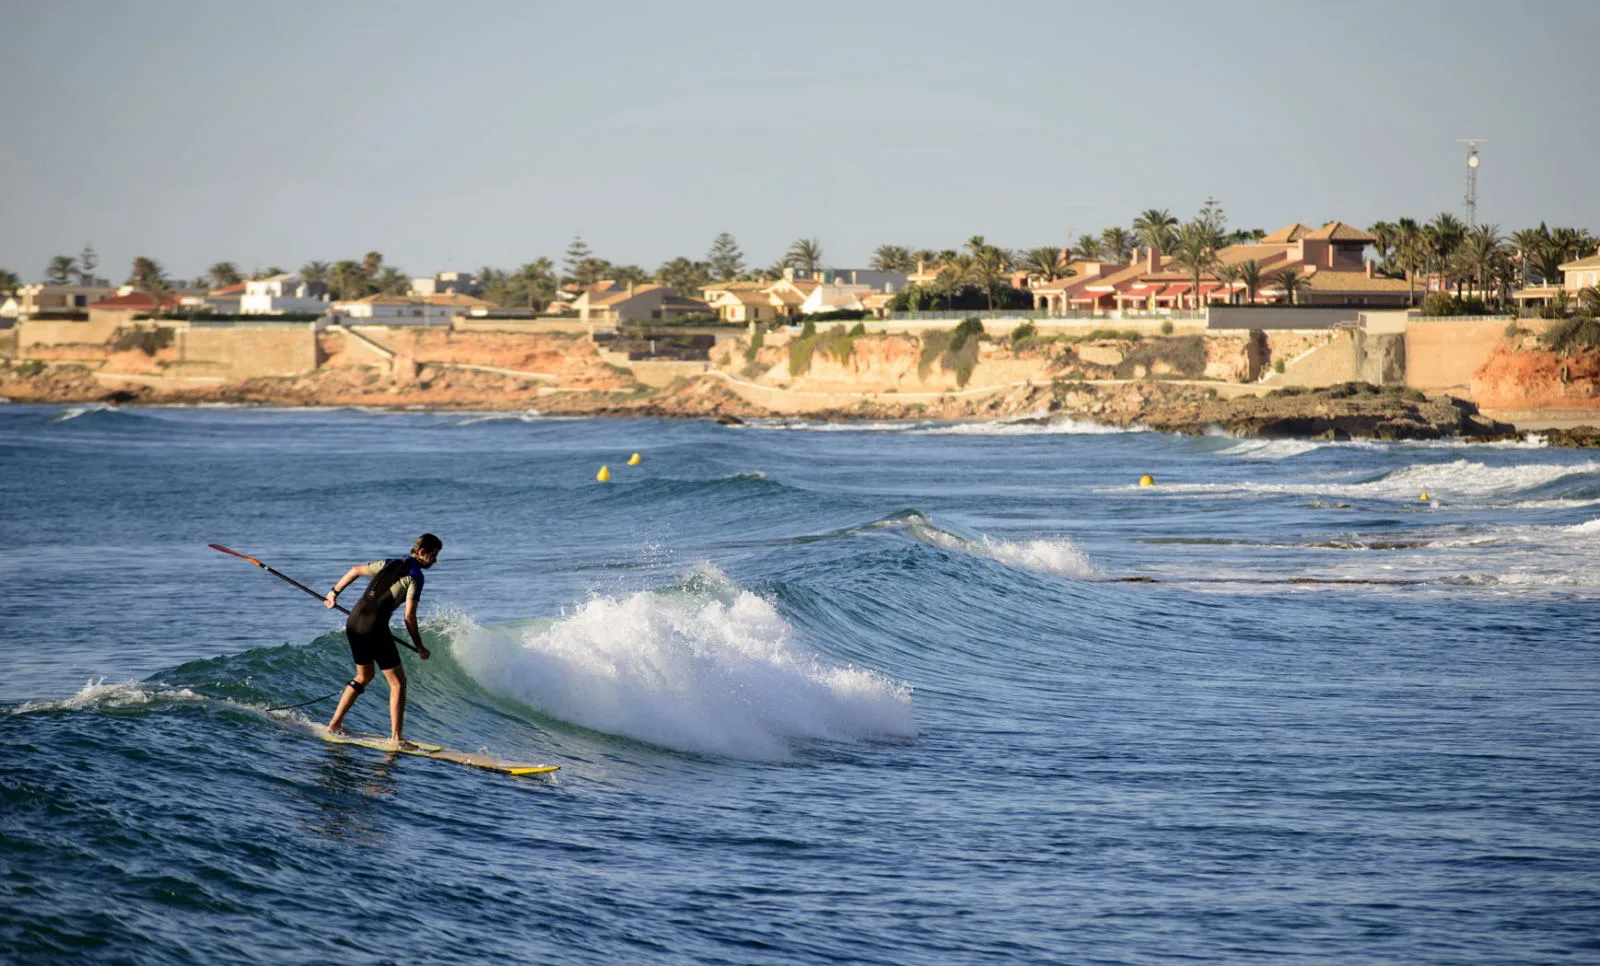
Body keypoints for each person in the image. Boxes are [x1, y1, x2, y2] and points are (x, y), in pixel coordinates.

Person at [323, 533, 440, 746]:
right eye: (433, 555)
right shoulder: (415, 576)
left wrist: (333, 593)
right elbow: (409, 617)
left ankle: (334, 725)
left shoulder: (390, 562)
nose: (435, 560)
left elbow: (355, 570)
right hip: (375, 626)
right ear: (422, 552)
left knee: (364, 676)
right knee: (398, 683)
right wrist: (420, 646)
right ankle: (396, 739)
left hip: (354, 620)